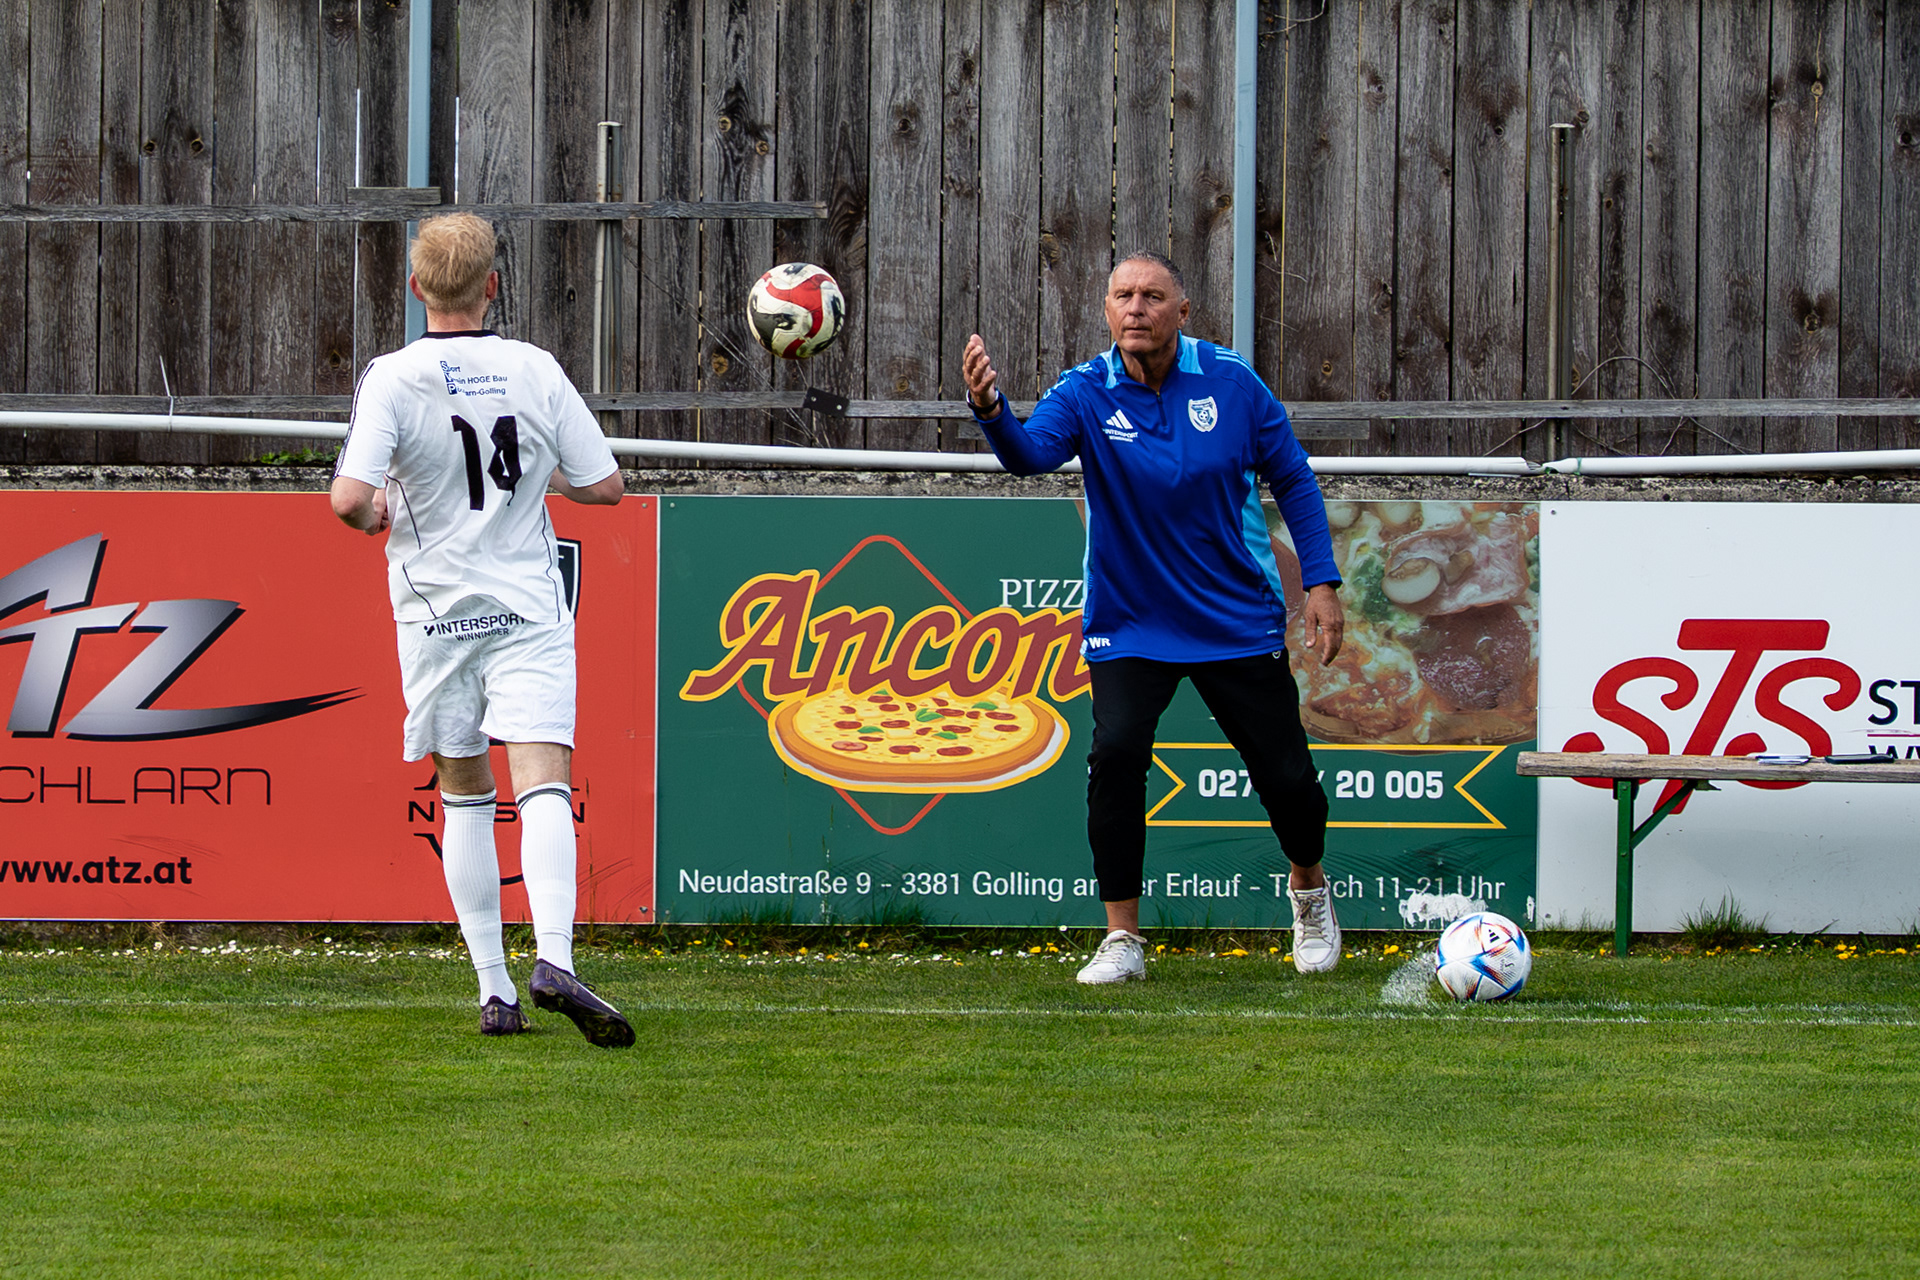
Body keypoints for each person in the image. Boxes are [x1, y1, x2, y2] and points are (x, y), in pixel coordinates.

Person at [961, 251, 1346, 984]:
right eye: (1122, 296)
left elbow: (1293, 476)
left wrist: (1322, 582)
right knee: (1116, 759)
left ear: (1183, 311)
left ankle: (1309, 890)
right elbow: (1031, 457)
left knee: (1288, 778)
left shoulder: (1232, 382)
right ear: (1107, 310)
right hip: (1131, 621)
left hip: (1234, 616)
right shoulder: (1084, 390)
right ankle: (1122, 939)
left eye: (1151, 296)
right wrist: (990, 410)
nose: (1135, 308)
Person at [330, 212, 634, 1046]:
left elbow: (349, 499)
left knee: (465, 792)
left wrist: (378, 513)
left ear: (416, 288)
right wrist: (544, 478)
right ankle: (556, 957)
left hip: (435, 614)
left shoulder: (392, 377)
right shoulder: (534, 368)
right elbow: (607, 486)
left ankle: (494, 990)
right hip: (527, 607)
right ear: (493, 285)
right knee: (543, 782)